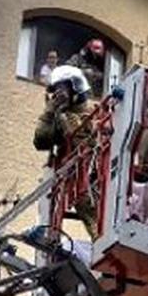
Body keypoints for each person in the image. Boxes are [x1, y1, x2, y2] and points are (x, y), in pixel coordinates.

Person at [33, 65, 99, 239]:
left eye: (62, 88)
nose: (59, 94)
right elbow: (40, 141)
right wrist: (50, 112)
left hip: (99, 170)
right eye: (55, 90)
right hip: (79, 177)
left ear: (74, 86)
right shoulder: (59, 116)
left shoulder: (95, 110)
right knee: (88, 208)